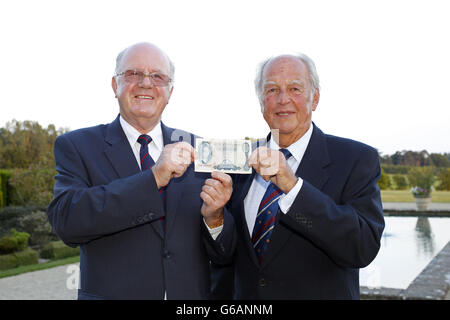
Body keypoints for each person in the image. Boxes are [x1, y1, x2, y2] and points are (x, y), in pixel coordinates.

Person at [47, 42, 235, 300]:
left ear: (170, 92)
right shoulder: (77, 146)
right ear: (115, 85)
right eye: (133, 74)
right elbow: (67, 222)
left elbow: (224, 253)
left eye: (157, 76)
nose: (146, 83)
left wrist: (215, 219)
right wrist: (154, 178)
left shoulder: (200, 150)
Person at [211, 53, 385, 299]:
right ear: (261, 101)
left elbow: (362, 248)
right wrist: (215, 218)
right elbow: (223, 256)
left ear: (315, 98)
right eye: (272, 90)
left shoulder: (355, 159)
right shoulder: (238, 163)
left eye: (295, 88)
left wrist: (293, 188)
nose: (283, 100)